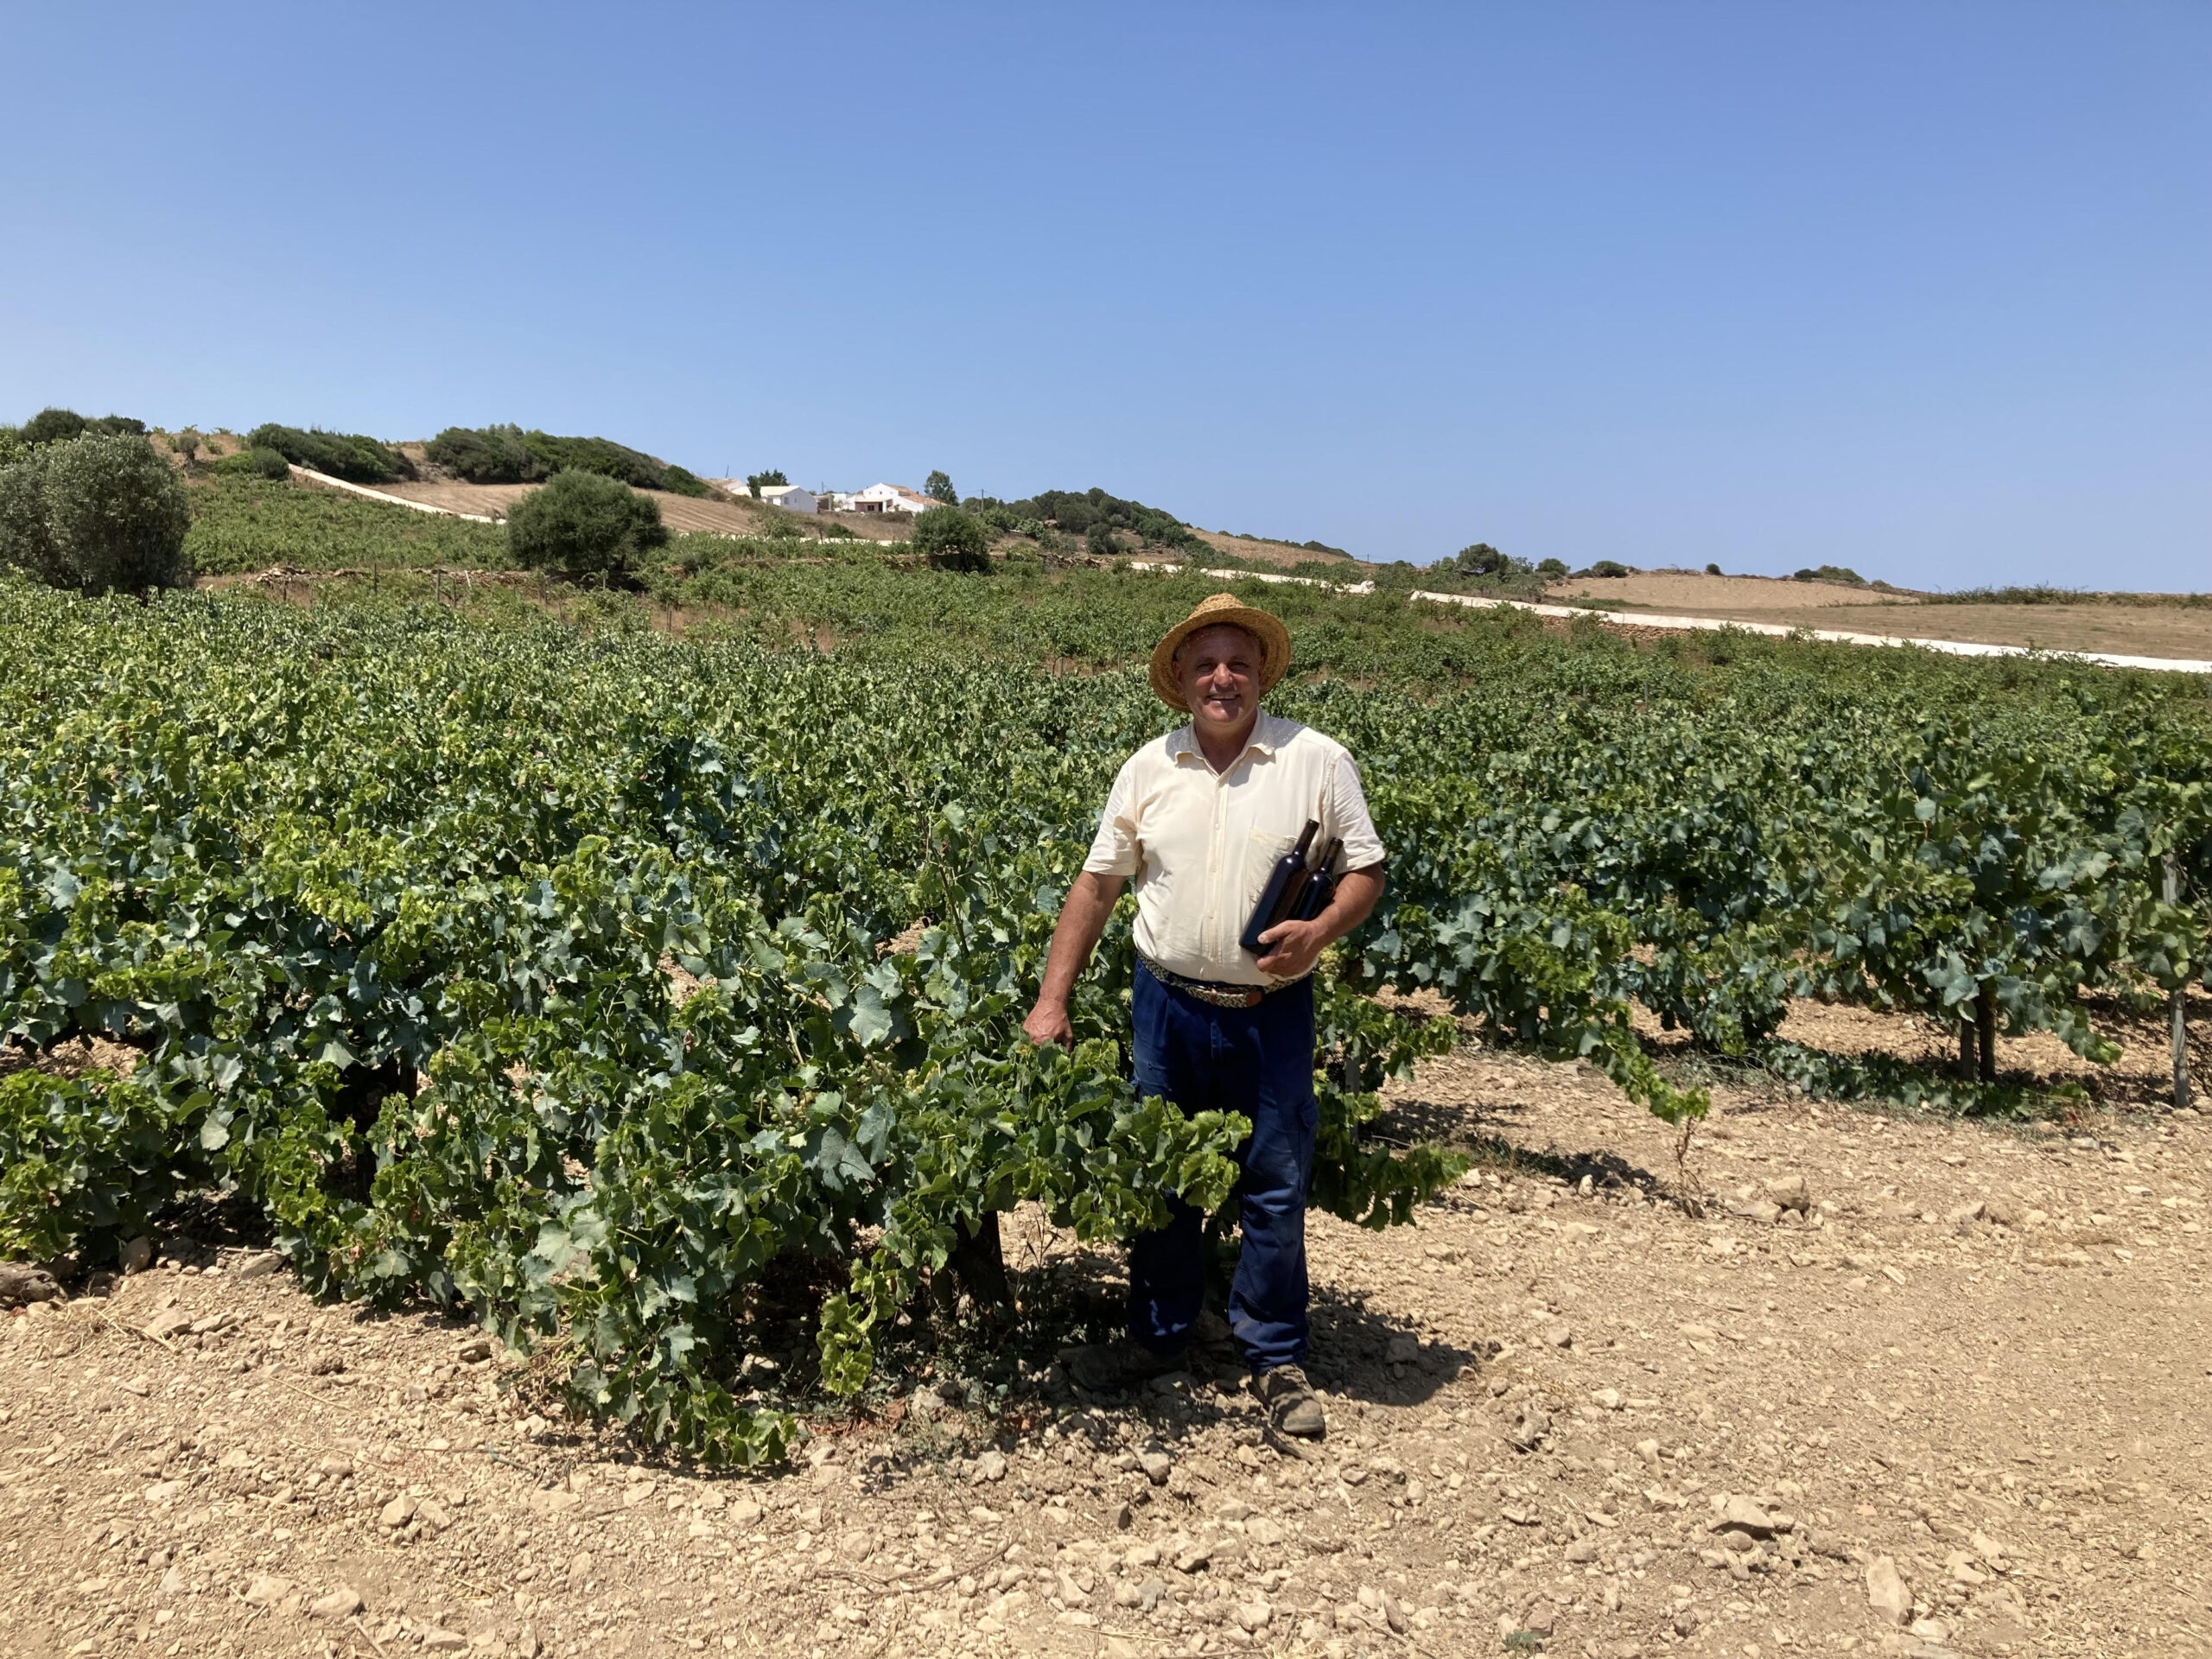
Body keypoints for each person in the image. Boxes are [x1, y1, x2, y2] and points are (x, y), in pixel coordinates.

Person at [1023, 592, 1386, 1438]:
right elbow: (1097, 885)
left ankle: (1274, 1357)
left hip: (1273, 1011)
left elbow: (1364, 872)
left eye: (1239, 664)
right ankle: (1155, 1340)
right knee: (1162, 1179)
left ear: (1262, 676)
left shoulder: (1317, 760)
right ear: (1182, 679)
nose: (1224, 679)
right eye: (1207, 665)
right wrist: (1051, 998)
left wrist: (1321, 929)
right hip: (1167, 1007)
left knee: (1274, 1183)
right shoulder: (1148, 768)